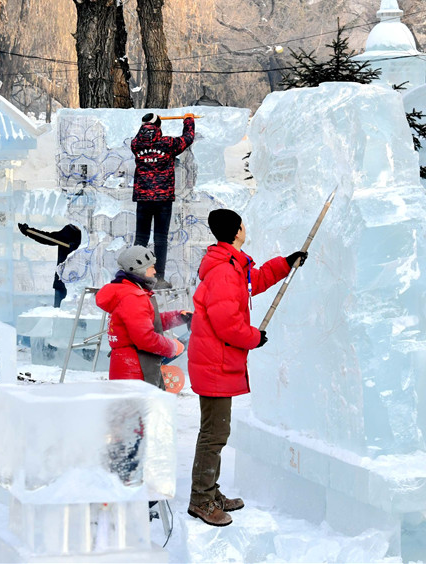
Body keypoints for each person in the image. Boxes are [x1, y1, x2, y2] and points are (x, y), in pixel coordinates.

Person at [186, 208, 307, 526]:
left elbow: (256, 281)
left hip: (216, 360)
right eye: (243, 225)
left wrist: (285, 263)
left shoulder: (231, 265)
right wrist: (254, 337)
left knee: (215, 431)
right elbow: (225, 322)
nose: (245, 228)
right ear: (238, 230)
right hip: (215, 361)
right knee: (214, 434)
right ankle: (201, 500)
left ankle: (209, 492)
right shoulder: (226, 271)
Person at [95, 245, 190, 389]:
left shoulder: (128, 291)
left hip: (128, 366)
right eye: (151, 267)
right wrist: (172, 347)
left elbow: (147, 322)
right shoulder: (133, 297)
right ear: (139, 269)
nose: (155, 271)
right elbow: (145, 338)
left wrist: (178, 317)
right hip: (135, 369)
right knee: (138, 411)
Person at [131, 112, 196, 289]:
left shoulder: (136, 143)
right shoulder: (167, 143)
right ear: (159, 126)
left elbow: (142, 135)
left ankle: (137, 276)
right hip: (163, 198)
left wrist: (147, 124)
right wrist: (188, 120)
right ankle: (158, 278)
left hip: (143, 197)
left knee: (141, 238)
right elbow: (188, 138)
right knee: (160, 239)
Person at [17, 223, 82, 307]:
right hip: (63, 279)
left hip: (80, 282)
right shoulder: (70, 231)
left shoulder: (90, 234)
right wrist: (29, 231)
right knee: (59, 312)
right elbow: (48, 238)